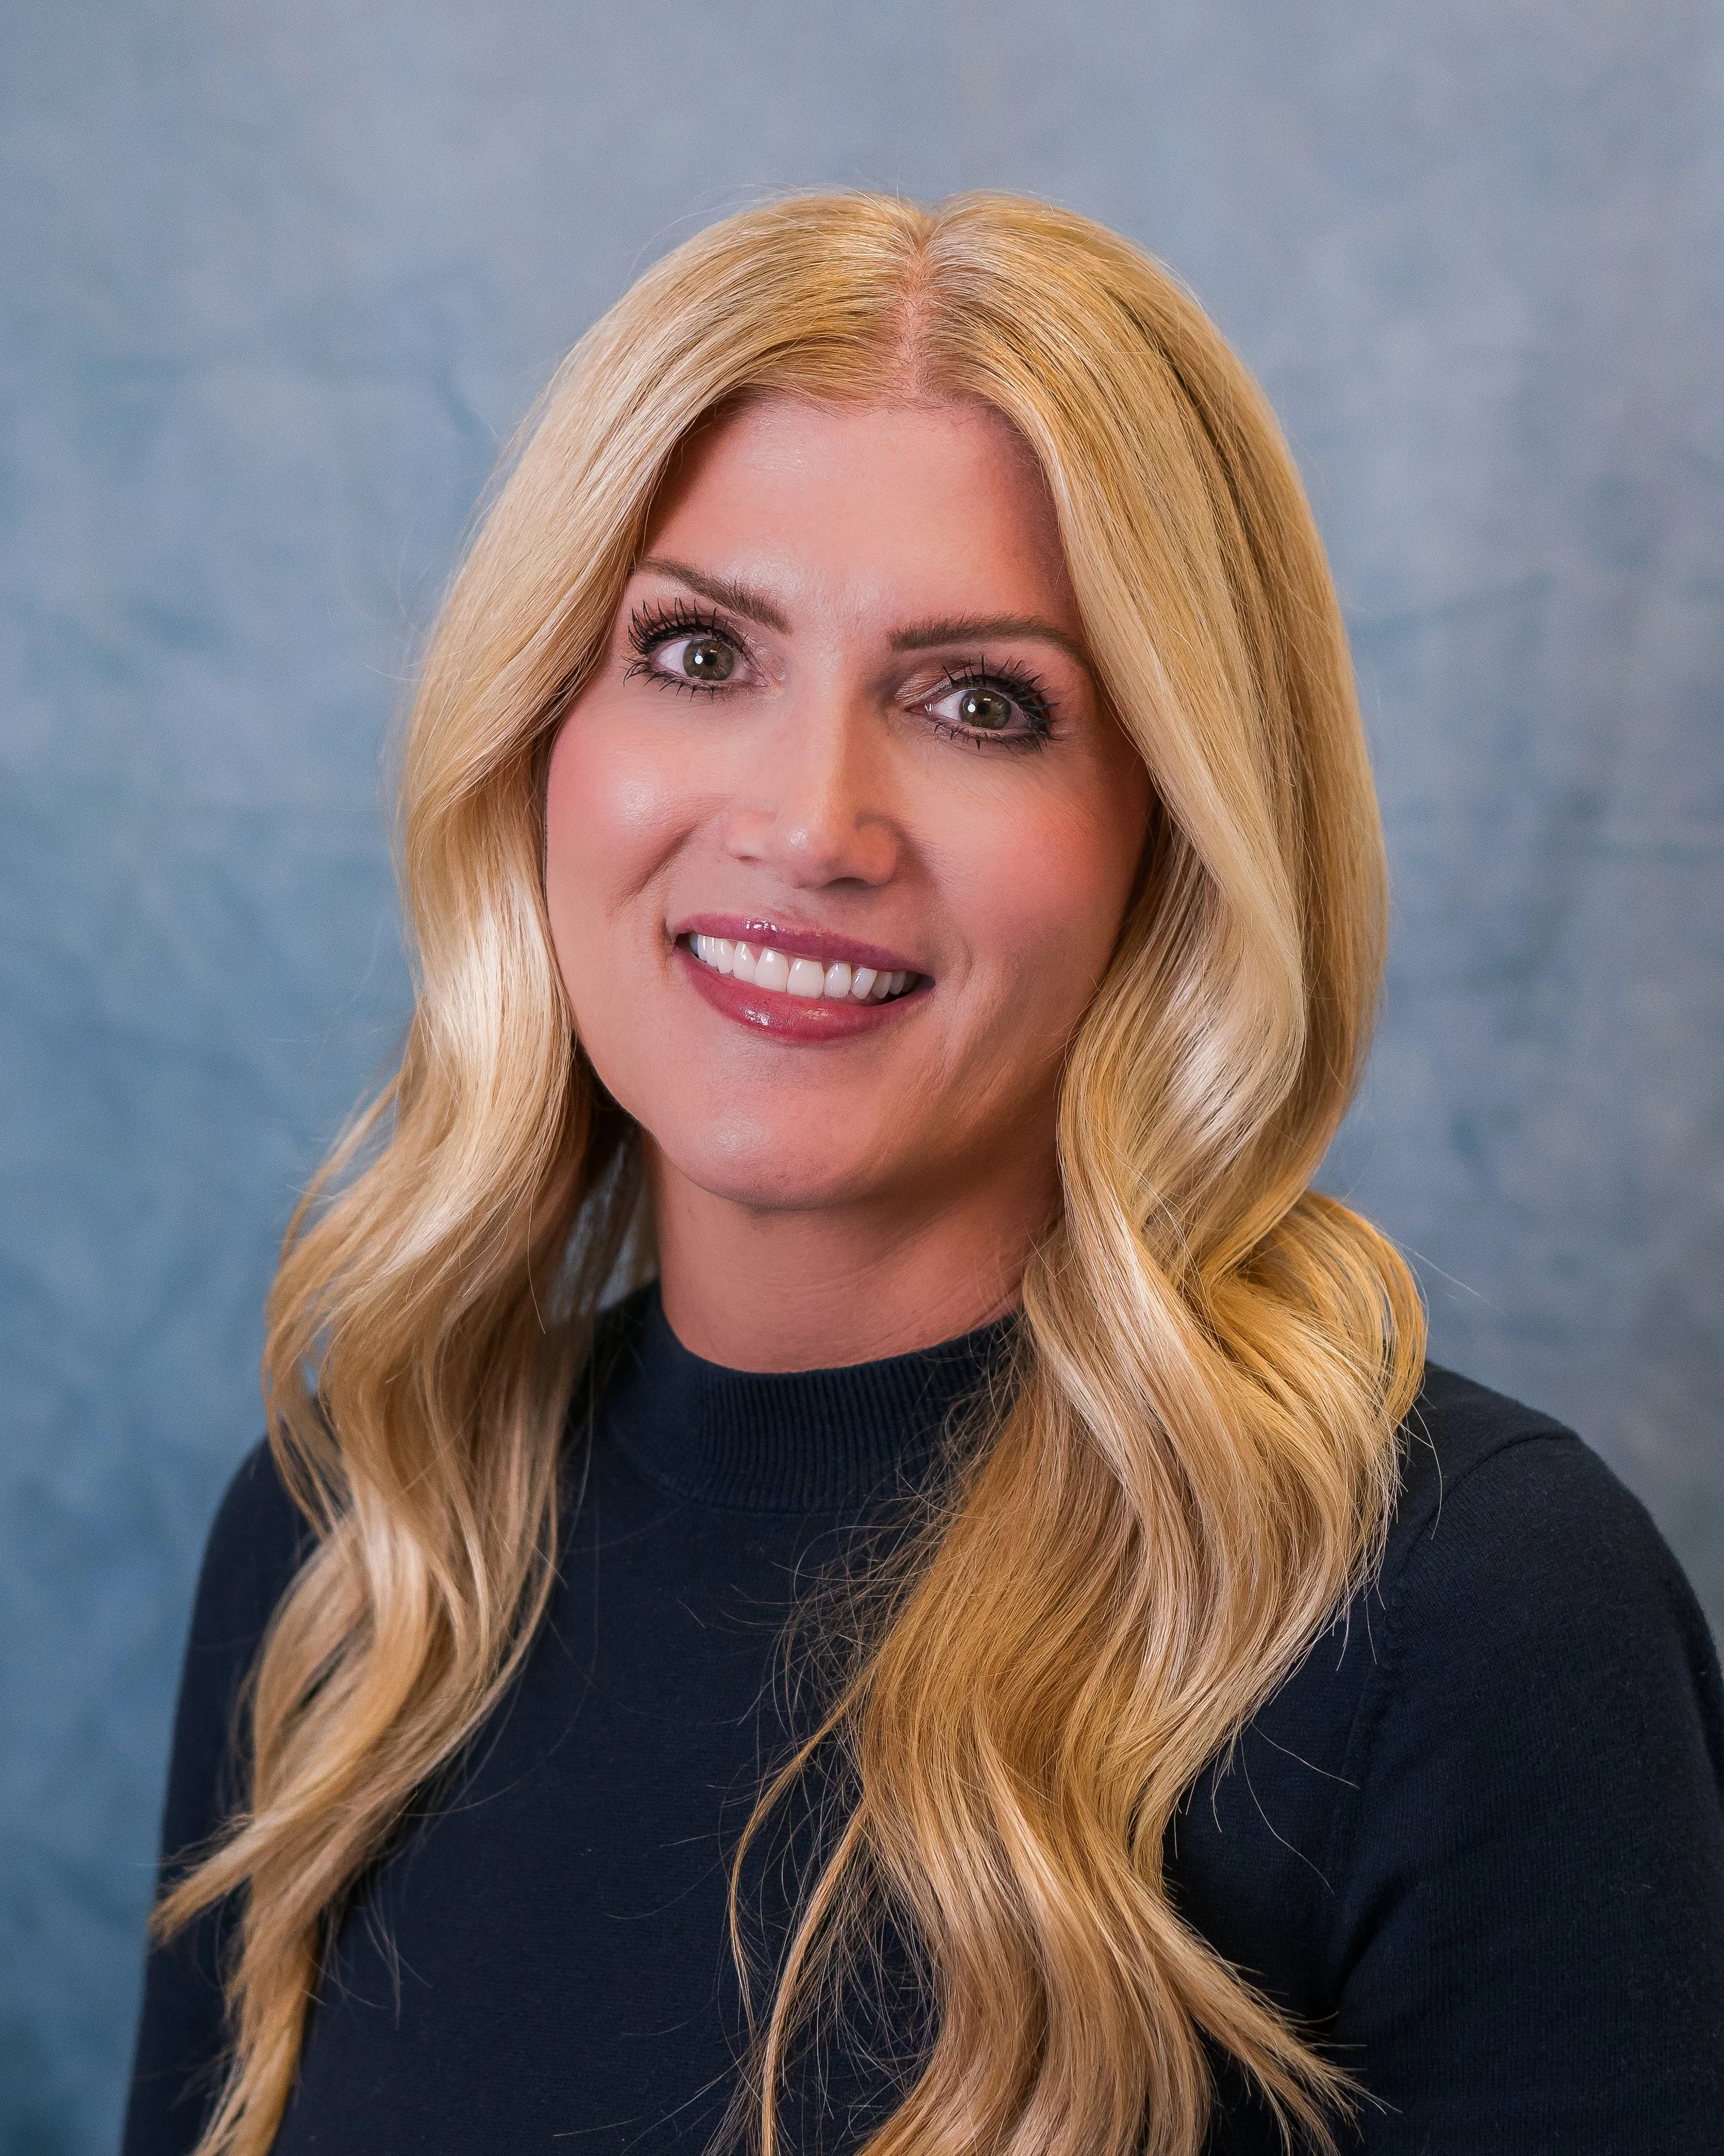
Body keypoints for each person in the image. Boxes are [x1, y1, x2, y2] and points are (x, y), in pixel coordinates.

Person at [121, 192, 1724, 2156]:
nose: (807, 824)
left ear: (1175, 833)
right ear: (539, 729)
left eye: (981, 701)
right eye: (698, 649)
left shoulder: (1459, 1617)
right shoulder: (351, 1558)